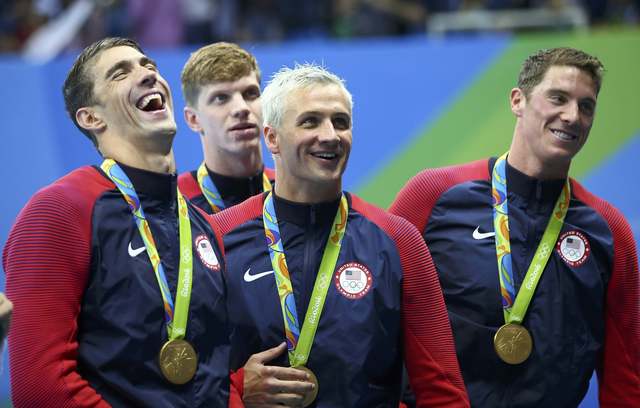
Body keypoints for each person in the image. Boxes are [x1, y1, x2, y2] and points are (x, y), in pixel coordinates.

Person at [390, 47, 640, 407]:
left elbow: (625, 375)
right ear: (518, 101)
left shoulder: (609, 230)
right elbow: (375, 319)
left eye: (586, 106)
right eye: (558, 98)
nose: (572, 116)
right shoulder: (433, 195)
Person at [214, 63, 469, 407]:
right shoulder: (218, 237)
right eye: (310, 121)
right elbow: (180, 376)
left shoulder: (398, 239)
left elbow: (441, 388)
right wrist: (238, 389)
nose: (331, 135)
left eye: (341, 122)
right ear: (271, 137)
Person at [3, 37, 240, 407]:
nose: (148, 75)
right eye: (120, 73)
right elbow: (40, 388)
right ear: (91, 117)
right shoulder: (61, 210)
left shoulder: (198, 225)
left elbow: (217, 368)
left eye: (149, 66)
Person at [179, 42, 274, 215]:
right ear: (193, 119)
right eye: (221, 98)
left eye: (251, 93)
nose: (242, 108)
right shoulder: (176, 203)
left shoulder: (293, 191)